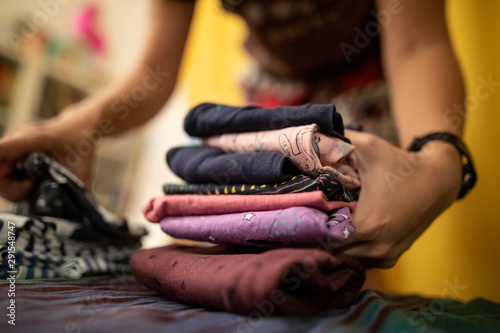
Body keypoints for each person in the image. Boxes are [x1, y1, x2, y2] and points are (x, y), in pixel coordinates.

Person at [0, 0, 468, 268]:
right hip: (270, 97)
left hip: (367, 91)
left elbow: (417, 43)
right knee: (240, 241)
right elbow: (154, 72)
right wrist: (77, 127)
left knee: (346, 248)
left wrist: (441, 160)